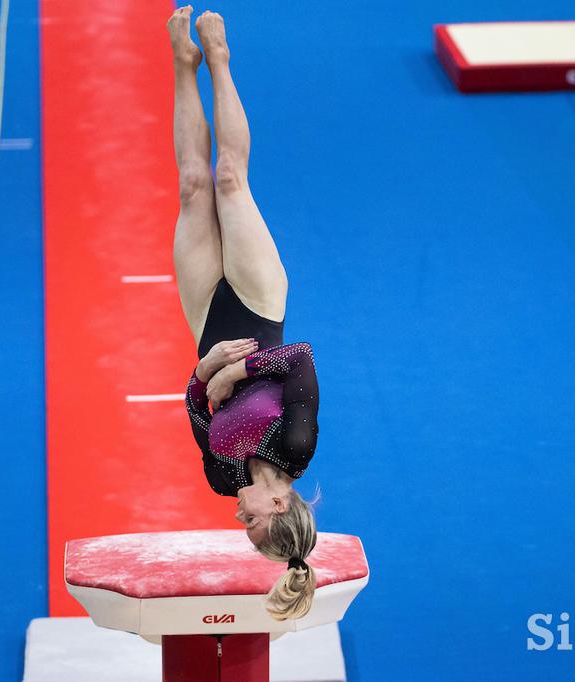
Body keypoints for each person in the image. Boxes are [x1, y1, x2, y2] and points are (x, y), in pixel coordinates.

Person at [167, 6, 320, 621]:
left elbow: (192, 405)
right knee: (230, 179)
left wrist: (210, 373)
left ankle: (183, 67)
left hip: (206, 321)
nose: (238, 513)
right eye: (251, 522)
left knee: (191, 186)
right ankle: (220, 60)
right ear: (280, 506)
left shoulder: (222, 476)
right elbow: (299, 357)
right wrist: (243, 372)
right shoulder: (298, 443)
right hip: (260, 304)